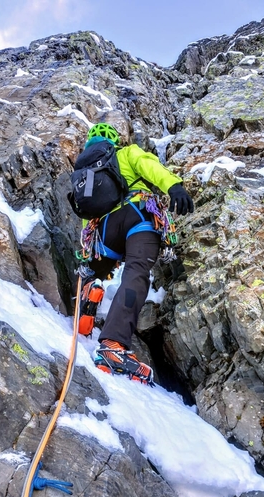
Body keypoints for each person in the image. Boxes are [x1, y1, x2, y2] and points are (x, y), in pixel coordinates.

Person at [76, 122, 194, 384]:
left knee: (97, 268)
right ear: (113, 141)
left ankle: (87, 294)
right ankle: (113, 346)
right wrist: (173, 185)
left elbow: (86, 219)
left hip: (103, 233)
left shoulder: (86, 175)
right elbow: (149, 166)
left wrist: (89, 259)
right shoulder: (124, 154)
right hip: (136, 217)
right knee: (137, 272)